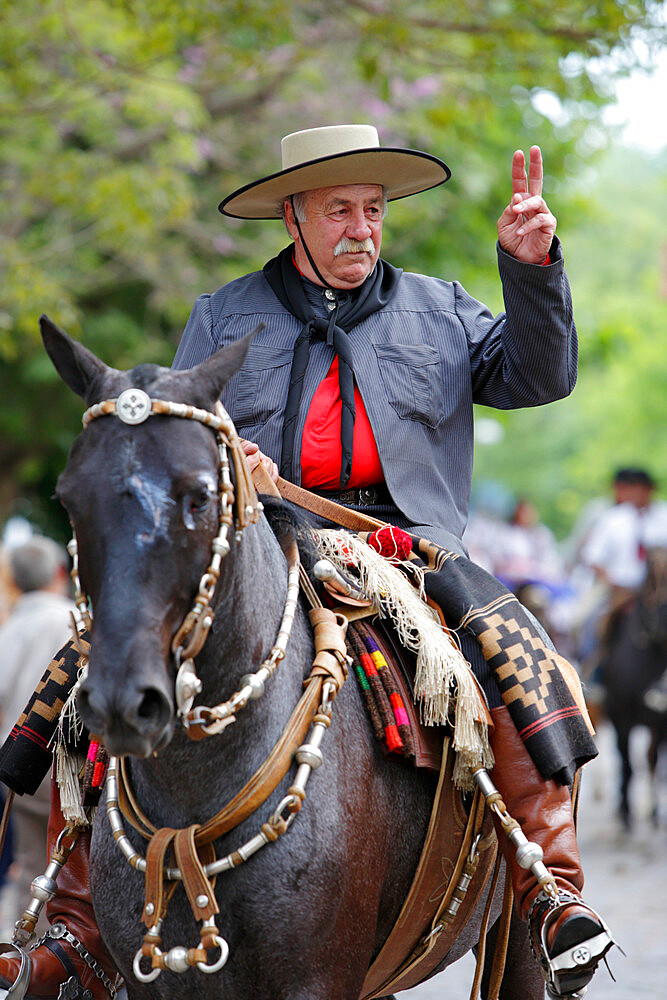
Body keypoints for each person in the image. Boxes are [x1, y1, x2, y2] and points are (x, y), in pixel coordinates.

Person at [0, 125, 612, 999]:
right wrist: (227, 468)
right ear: (292, 217)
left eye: (373, 210)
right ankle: (72, 917)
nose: (362, 228)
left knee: (515, 650)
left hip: (406, 551)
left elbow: (540, 376)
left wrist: (532, 269)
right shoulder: (223, 314)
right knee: (97, 659)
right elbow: (179, 445)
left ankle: (547, 883)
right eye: (339, 211)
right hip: (260, 541)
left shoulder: (442, 308)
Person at [0, 538, 75, 941]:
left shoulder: (10, 625)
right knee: (67, 871)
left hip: (16, 763)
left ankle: (18, 955)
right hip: (62, 771)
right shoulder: (69, 618)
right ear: (58, 574)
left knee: (31, 866)